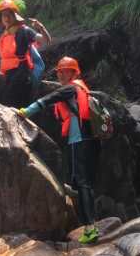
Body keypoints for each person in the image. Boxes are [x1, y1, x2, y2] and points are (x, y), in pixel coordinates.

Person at [18, 57, 100, 244]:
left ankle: (90, 228)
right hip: (87, 141)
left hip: (80, 140)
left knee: (82, 183)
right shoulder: (81, 89)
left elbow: (47, 100)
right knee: (82, 183)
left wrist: (26, 111)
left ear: (73, 73)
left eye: (65, 71)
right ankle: (90, 224)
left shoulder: (70, 88)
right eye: (59, 71)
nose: (61, 74)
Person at [0, 0, 44, 108]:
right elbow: (0, 53)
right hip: (9, 74)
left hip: (22, 74)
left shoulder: (24, 31)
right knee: (3, 100)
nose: (6, 18)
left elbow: (46, 40)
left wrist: (41, 28)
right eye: (4, 15)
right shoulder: (5, 34)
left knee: (10, 102)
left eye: (9, 14)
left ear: (15, 16)